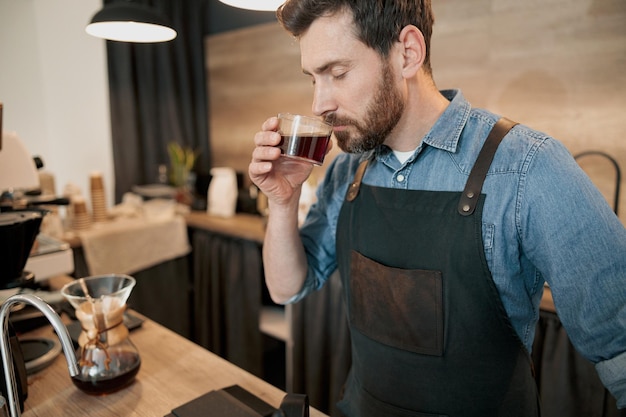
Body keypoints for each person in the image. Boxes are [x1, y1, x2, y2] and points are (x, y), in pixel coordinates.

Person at [248, 1, 626, 416]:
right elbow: (287, 287)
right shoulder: (346, 172)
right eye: (314, 79)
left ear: (408, 52)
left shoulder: (527, 167)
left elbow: (620, 349)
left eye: (338, 73)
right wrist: (282, 201)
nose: (319, 103)